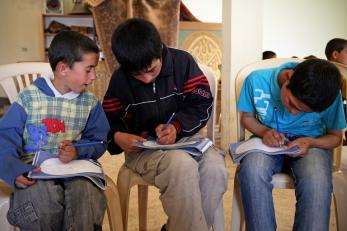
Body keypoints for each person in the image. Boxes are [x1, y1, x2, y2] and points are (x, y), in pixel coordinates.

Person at [103, 18, 228, 231]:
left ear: (160, 50)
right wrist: (117, 137)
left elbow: (202, 103)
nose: (146, 79)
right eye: (137, 74)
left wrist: (177, 126)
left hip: (187, 139)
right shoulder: (120, 80)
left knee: (216, 168)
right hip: (144, 149)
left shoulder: (184, 64)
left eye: (152, 70)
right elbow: (107, 121)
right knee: (181, 165)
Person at [0, 31, 110, 230]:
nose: (94, 76)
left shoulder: (90, 103)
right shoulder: (29, 98)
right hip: (33, 173)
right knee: (41, 202)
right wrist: (14, 170)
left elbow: (100, 140)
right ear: (63, 68)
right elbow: (4, 137)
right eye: (89, 69)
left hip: (77, 170)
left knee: (86, 198)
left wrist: (79, 149)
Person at [236, 58, 346, 231]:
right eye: (292, 103)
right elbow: (247, 118)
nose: (293, 113)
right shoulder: (256, 80)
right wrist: (264, 131)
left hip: (311, 144)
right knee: (252, 169)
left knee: (316, 179)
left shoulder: (329, 96)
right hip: (268, 138)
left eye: (303, 111)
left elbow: (335, 137)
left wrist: (311, 142)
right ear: (288, 77)